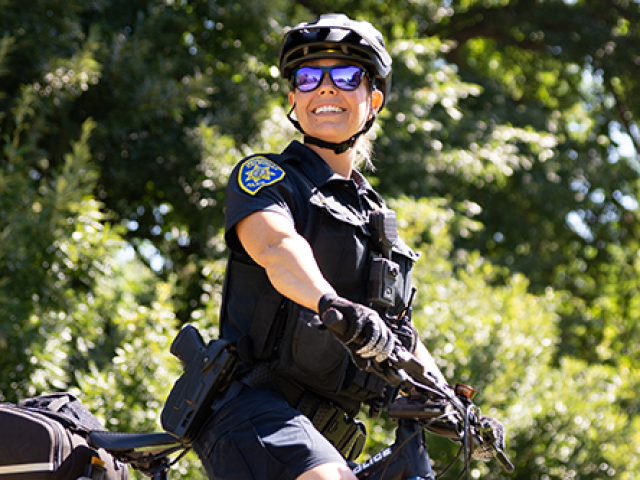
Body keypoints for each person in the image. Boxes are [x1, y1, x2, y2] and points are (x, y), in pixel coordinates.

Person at [193, 13, 449, 480]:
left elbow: (403, 334)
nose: (325, 88)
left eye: (346, 76)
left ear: (372, 100)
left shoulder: (377, 222)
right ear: (294, 99)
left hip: (329, 435)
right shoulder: (267, 177)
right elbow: (275, 246)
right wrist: (330, 304)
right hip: (252, 411)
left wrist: (446, 398)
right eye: (309, 78)